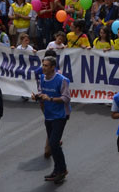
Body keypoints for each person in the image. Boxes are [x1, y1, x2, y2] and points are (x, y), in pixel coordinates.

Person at [34, 55, 71, 183]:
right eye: (43, 65)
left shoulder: (62, 80)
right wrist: (38, 97)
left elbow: (66, 98)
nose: (43, 68)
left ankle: (62, 170)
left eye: (46, 65)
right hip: (48, 115)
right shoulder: (43, 78)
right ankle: (57, 170)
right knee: (52, 144)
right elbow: (43, 93)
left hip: (60, 115)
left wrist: (49, 99)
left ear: (53, 67)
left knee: (54, 143)